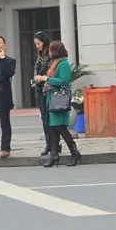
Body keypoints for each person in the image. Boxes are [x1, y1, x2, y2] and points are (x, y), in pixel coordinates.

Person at [34, 40, 81, 168]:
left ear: (55, 51)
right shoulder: (54, 63)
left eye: (50, 50)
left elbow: (63, 81)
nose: (49, 52)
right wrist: (41, 80)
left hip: (59, 100)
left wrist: (46, 78)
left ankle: (74, 152)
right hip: (51, 98)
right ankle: (54, 155)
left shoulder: (63, 64)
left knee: (60, 128)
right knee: (52, 128)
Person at [32, 31, 59, 157]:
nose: (37, 46)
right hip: (39, 88)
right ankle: (49, 144)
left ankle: (54, 144)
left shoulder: (50, 54)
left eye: (39, 43)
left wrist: (41, 78)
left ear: (44, 42)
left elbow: (50, 71)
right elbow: (36, 69)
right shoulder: (40, 56)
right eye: (36, 44)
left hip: (48, 89)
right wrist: (35, 80)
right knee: (44, 118)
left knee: (50, 118)